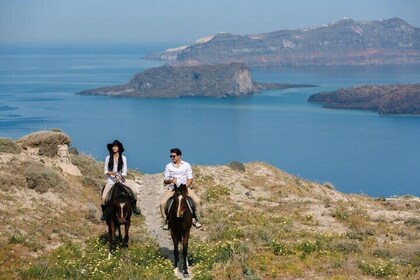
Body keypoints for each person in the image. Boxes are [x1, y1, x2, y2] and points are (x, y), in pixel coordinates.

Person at [160, 148, 202, 230]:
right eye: (171, 156)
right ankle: (165, 221)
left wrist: (185, 187)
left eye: (174, 156)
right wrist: (171, 180)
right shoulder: (168, 166)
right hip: (173, 189)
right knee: (162, 203)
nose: (172, 158)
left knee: (197, 201)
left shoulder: (186, 165)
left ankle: (197, 219)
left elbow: (190, 179)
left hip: (184, 188)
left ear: (179, 156)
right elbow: (165, 180)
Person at [100, 140, 141, 221]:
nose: (114, 148)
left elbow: (125, 171)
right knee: (104, 197)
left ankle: (134, 207)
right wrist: (111, 173)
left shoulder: (123, 158)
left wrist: (119, 176)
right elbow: (105, 171)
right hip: (111, 181)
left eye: (116, 146)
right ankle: (105, 213)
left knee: (135, 192)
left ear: (119, 148)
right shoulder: (108, 158)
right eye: (113, 146)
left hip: (121, 180)